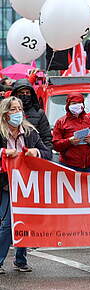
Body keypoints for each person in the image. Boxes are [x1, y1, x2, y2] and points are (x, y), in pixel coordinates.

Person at [0, 96, 52, 274]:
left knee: (25, 220)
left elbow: (47, 153)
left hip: (27, 185)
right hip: (6, 186)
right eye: (13, 109)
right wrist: (4, 152)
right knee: (7, 224)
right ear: (5, 114)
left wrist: (34, 152)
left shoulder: (30, 133)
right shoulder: (0, 133)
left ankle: (20, 260)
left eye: (19, 109)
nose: (17, 113)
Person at [52, 93, 90, 172]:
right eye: (74, 103)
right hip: (68, 166)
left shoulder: (89, 120)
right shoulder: (61, 122)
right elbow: (55, 145)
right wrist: (69, 141)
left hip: (89, 166)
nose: (77, 105)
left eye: (79, 103)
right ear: (68, 105)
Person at [11, 78, 52, 150]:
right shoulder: (6, 113)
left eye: (27, 93)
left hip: (33, 156)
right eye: (21, 93)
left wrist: (44, 154)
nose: (25, 95)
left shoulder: (39, 113)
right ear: (15, 94)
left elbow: (46, 138)